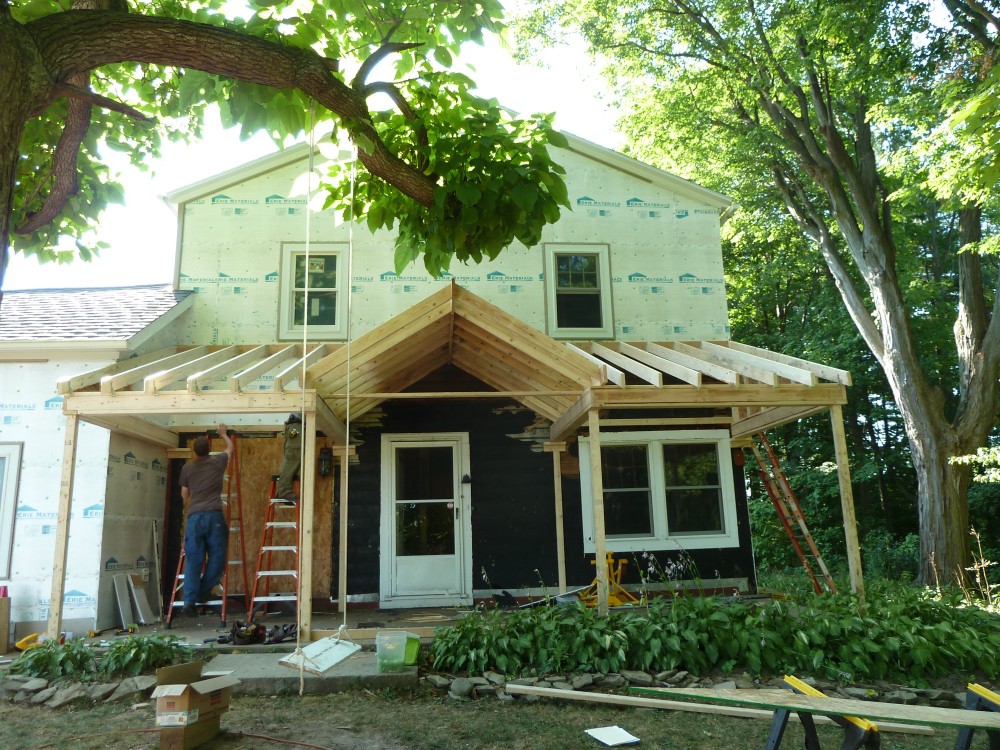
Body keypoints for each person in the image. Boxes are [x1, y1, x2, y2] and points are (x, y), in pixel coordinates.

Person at [178, 424, 234, 618]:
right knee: (217, 558)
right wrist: (224, 434)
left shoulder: (187, 468)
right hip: (214, 516)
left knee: (194, 559)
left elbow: (184, 495)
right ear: (209, 450)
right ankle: (202, 592)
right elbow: (230, 448)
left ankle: (189, 601)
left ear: (194, 451)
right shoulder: (217, 462)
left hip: (195, 518)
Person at [275, 413, 302, 503]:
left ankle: (283, 491)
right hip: (297, 425)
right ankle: (284, 491)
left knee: (295, 461)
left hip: (299, 425)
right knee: (293, 460)